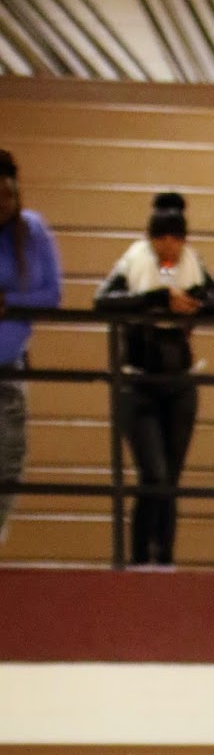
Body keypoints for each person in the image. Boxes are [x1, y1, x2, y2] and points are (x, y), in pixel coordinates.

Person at [93, 191, 214, 567]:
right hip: (138, 383)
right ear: (151, 239)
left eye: (176, 238)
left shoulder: (193, 265)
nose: (168, 246)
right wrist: (156, 299)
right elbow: (102, 301)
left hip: (179, 385)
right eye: (161, 238)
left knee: (170, 479)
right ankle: (141, 558)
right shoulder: (133, 261)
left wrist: (194, 303)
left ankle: (165, 561)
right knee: (153, 475)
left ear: (184, 240)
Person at [0, 149, 62, 540]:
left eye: (7, 195)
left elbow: (51, 294)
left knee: (10, 456)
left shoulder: (32, 231)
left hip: (10, 363)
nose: (2, 204)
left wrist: (9, 302)